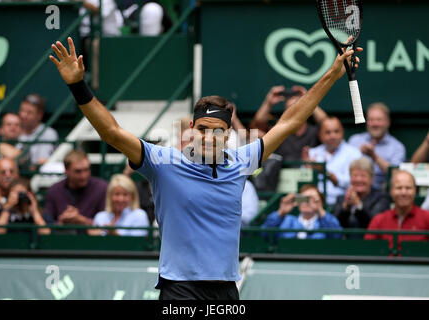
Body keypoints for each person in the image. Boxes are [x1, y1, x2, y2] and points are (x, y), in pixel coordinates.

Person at [49, 36, 361, 300]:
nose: (208, 135)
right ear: (191, 130)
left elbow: (291, 120)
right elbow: (112, 133)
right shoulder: (163, 163)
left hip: (226, 288)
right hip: (179, 288)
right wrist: (78, 86)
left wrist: (333, 74)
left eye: (216, 129)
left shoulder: (242, 162)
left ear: (228, 135)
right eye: (201, 128)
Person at [249, 85, 327, 192]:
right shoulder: (278, 130)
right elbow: (257, 126)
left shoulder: (313, 131)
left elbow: (327, 123)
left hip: (308, 186)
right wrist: (268, 103)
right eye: (291, 107)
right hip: (279, 185)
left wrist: (310, 99)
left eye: (299, 106)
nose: (295, 110)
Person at [302, 116, 362, 207]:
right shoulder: (312, 153)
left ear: (342, 133)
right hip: (314, 204)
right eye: (327, 132)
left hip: (342, 204)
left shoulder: (354, 153)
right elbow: (302, 185)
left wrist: (325, 172)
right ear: (319, 135)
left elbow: (351, 182)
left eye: (336, 131)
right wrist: (309, 171)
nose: (332, 136)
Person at [43, 150, 107, 232]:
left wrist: (81, 220)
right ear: (66, 170)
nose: (83, 176)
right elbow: (46, 225)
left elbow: (107, 225)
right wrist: (61, 223)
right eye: (78, 171)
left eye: (86, 170)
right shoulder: (54, 191)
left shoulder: (101, 188)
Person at [348, 102, 406, 190]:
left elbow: (396, 174)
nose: (375, 124)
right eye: (371, 120)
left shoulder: (397, 147)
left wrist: (374, 156)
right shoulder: (355, 140)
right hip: (354, 188)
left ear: (388, 122)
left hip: (382, 193)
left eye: (379, 120)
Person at [364, 170, 429, 247]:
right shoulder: (379, 220)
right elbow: (368, 249)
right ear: (391, 191)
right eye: (399, 188)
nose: (403, 192)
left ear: (415, 191)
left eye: (408, 188)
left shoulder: (426, 218)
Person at [261, 184, 342, 241]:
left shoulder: (326, 223)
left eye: (313, 199)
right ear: (298, 201)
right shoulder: (287, 221)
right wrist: (281, 212)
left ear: (321, 202)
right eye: (304, 199)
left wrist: (320, 210)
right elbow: (264, 234)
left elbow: (337, 237)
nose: (307, 202)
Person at [332, 157, 390, 231]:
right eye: (355, 176)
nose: (358, 179)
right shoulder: (341, 199)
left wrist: (358, 206)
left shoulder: (381, 198)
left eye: (363, 176)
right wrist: (345, 208)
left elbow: (375, 225)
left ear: (371, 179)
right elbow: (334, 227)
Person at [18, 93, 59, 167]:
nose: (23, 115)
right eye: (22, 110)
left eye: (29, 112)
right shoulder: (14, 129)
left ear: (39, 115)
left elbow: (41, 162)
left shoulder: (48, 133)